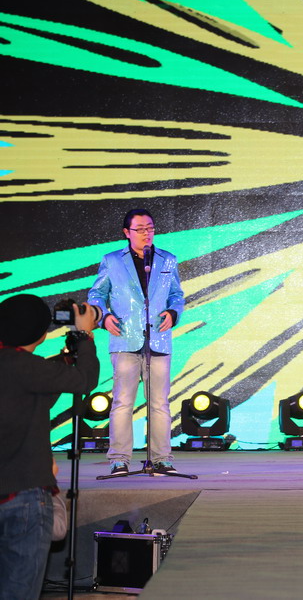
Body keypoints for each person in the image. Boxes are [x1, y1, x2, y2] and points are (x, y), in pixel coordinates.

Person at [0, 295, 99, 599]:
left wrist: (66, 358)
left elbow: (33, 387)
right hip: (24, 496)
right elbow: (85, 379)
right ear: (42, 334)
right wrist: (85, 335)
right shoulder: (29, 368)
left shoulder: (24, 368)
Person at [88, 209, 185, 477]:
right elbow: (96, 294)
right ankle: (119, 460)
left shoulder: (167, 259)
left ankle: (161, 459)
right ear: (126, 232)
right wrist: (103, 317)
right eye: (140, 229)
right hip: (124, 338)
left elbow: (177, 295)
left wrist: (173, 312)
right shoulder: (112, 261)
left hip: (158, 339)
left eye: (150, 228)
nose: (146, 233)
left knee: (159, 403)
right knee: (122, 402)